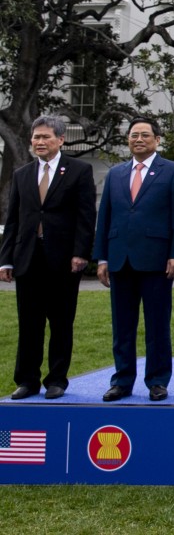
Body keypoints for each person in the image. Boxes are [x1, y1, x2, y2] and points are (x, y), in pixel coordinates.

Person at [93, 118, 174, 402]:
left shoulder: (173, 172)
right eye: (134, 135)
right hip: (119, 259)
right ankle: (122, 380)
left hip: (157, 260)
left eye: (145, 135)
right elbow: (105, 217)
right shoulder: (115, 174)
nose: (139, 139)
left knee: (157, 325)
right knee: (122, 325)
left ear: (157, 140)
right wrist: (101, 257)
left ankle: (157, 381)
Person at [0, 116, 96, 400]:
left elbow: (85, 216)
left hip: (64, 260)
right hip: (28, 258)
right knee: (29, 323)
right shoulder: (22, 174)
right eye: (36, 137)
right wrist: (6, 259)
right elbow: (14, 219)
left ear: (61, 139)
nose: (39, 142)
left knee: (61, 322)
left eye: (45, 137)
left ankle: (56, 380)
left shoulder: (79, 171)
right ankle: (27, 381)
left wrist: (81, 253)